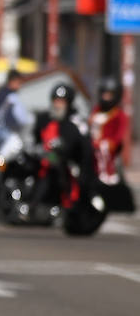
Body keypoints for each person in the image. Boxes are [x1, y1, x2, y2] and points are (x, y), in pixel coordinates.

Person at [35, 82, 98, 212]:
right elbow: (34, 137)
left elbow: (84, 149)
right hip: (44, 158)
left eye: (61, 102)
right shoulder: (44, 118)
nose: (58, 105)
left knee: (58, 169)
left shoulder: (75, 122)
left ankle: (63, 204)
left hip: (66, 163)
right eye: (56, 101)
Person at [91, 75, 135, 213]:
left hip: (108, 154)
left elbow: (118, 137)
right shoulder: (96, 110)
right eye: (104, 94)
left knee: (111, 179)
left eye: (109, 95)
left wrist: (104, 144)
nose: (105, 98)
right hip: (92, 150)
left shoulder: (119, 114)